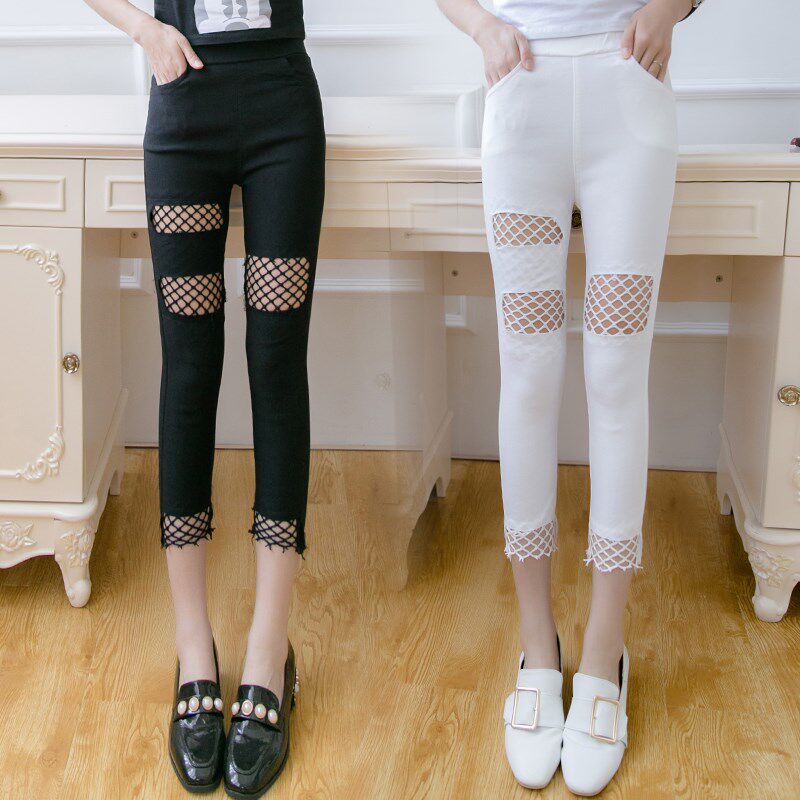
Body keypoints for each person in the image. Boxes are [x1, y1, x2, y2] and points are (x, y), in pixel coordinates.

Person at [436, 0, 699, 794]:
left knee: (617, 372)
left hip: (629, 95)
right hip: (525, 94)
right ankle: (538, 647)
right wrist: (481, 28)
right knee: (527, 367)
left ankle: (604, 655)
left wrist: (671, 6)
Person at [82, 1, 325, 795]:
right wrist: (145, 31)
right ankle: (194, 647)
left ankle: (268, 650)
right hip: (183, 112)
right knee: (189, 368)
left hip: (283, 109)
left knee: (276, 363)